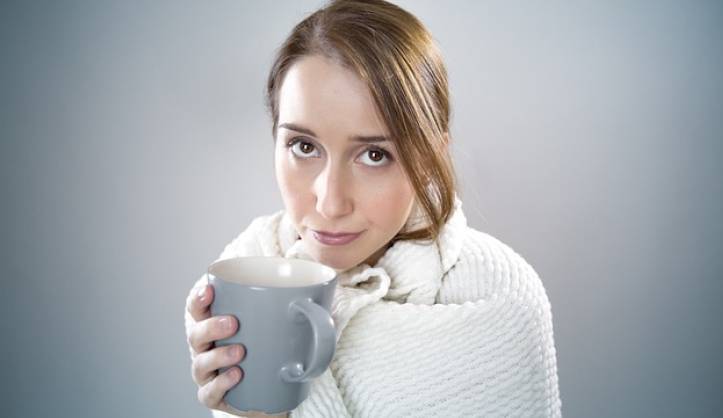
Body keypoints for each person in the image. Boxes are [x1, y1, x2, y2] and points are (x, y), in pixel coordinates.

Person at [184, 0, 562, 417]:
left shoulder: (500, 297)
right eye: (304, 146)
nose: (330, 203)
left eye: (374, 155)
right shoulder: (245, 270)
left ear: (429, 158)